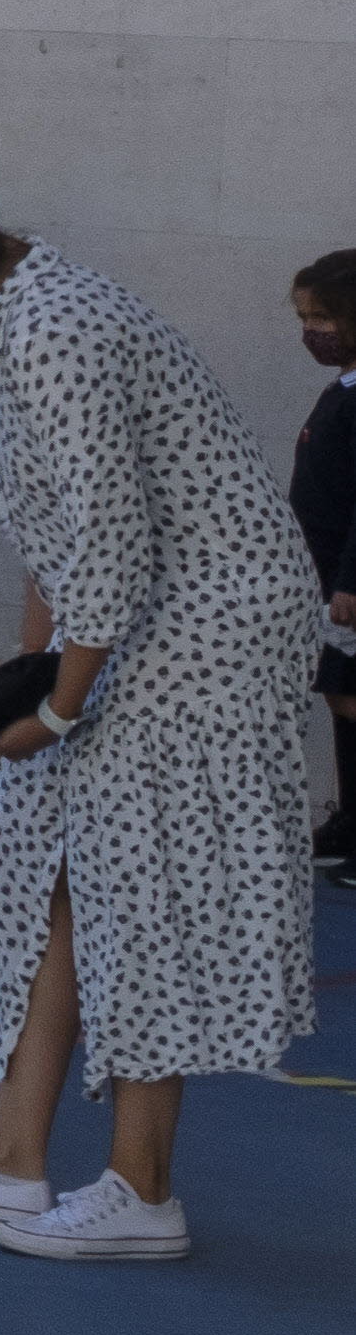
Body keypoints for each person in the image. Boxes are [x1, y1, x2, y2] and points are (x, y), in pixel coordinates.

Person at [0, 124, 319, 1260]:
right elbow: (66, 531)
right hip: (154, 621)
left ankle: (139, 1187)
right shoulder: (23, 306)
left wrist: (60, 705)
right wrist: (42, 678)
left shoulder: (47, 328)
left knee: (136, 878)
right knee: (51, 863)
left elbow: (108, 548)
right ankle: (9, 1156)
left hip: (201, 628)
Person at [295, 251, 356, 885]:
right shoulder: (342, 389)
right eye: (306, 317)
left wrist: (349, 582)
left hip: (345, 582)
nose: (314, 331)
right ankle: (349, 822)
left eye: (326, 318)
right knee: (341, 695)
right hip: (326, 576)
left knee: (349, 693)